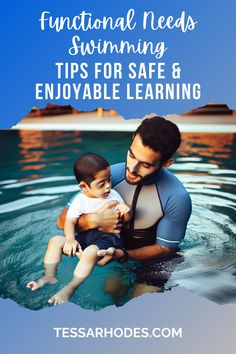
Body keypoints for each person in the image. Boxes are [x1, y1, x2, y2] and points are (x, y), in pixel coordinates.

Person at [57, 116, 192, 267]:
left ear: (166, 163)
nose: (132, 169)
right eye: (132, 155)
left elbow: (166, 249)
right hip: (110, 250)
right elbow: (61, 221)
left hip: (155, 264)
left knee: (144, 290)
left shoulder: (176, 197)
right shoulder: (109, 177)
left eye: (145, 165)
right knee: (111, 290)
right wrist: (93, 220)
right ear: (133, 139)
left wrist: (122, 255)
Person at [27, 153, 131, 305]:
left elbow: (126, 222)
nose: (108, 185)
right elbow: (70, 221)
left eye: (109, 179)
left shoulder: (113, 195)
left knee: (89, 252)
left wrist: (126, 210)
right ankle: (49, 275)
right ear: (84, 186)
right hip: (84, 237)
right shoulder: (80, 200)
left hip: (107, 238)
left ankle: (71, 287)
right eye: (101, 183)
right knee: (56, 240)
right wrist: (70, 240)